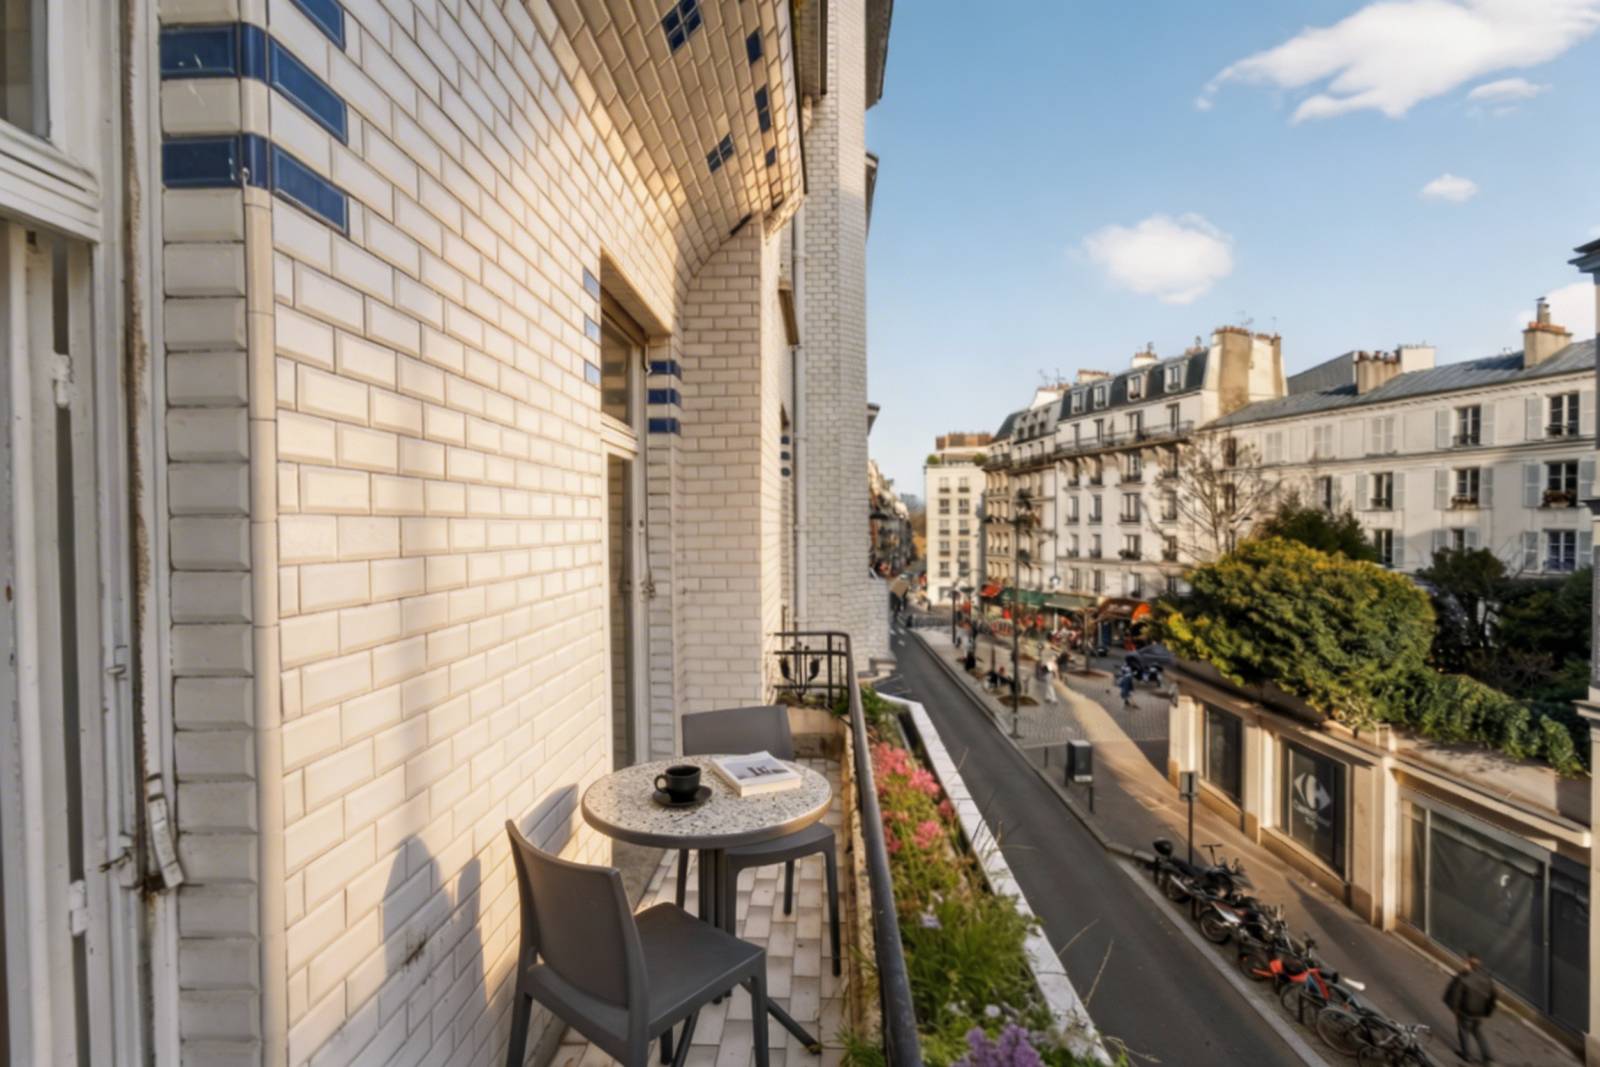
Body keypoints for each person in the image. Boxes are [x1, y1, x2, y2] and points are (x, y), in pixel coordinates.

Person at [1445, 954, 1497, 1064]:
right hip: (1479, 1012)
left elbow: (1456, 995)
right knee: (1477, 1032)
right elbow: (1493, 996)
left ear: (1469, 964)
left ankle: (1466, 1055)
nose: (1463, 964)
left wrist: (1454, 1009)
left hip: (1465, 1011)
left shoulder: (1464, 978)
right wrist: (1487, 1011)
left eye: (1465, 962)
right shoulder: (1487, 978)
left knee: (1463, 1032)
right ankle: (1487, 1056)